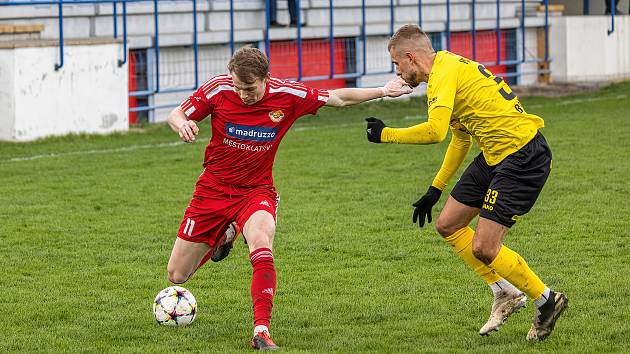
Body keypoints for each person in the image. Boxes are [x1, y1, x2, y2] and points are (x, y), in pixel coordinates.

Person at [165, 46, 411, 350]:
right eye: (238, 87)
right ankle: (226, 235)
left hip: (256, 191)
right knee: (177, 275)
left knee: (262, 243)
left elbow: (337, 97)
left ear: (266, 78)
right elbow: (175, 114)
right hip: (212, 192)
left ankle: (261, 331)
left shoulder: (287, 95)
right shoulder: (218, 89)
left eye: (250, 88)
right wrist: (183, 124)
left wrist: (384, 90)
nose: (243, 94)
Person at [364, 24, 568, 341]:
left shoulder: (444, 73)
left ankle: (547, 300)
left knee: (485, 247)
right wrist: (435, 189)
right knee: (448, 224)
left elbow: (435, 132)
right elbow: (459, 139)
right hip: (494, 154)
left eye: (396, 64)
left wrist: (385, 135)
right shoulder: (447, 70)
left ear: (409, 57)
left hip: (522, 156)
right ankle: (505, 292)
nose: (398, 72)